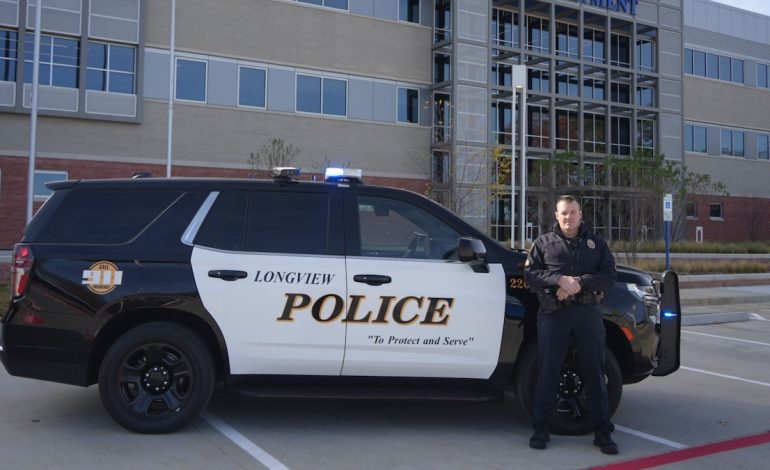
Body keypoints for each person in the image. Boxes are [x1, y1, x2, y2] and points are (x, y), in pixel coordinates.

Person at [523, 195, 618, 455]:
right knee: (547, 372)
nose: (568, 217)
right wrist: (559, 280)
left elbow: (609, 275)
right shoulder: (543, 243)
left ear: (580, 214)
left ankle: (603, 432)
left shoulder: (596, 244)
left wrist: (579, 284)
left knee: (594, 373)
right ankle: (541, 428)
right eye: (564, 213)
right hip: (554, 316)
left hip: (587, 314)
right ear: (556, 215)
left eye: (573, 212)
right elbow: (530, 274)